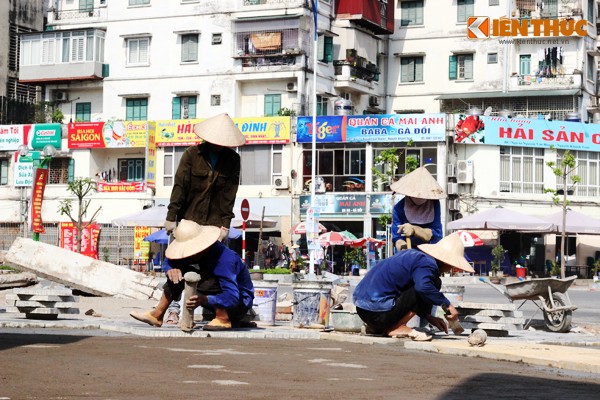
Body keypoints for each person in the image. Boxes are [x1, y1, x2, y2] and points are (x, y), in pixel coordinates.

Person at [161, 113, 246, 325]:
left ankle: (214, 309)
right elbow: (179, 187)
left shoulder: (233, 160)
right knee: (177, 266)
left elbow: (229, 195)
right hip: (188, 222)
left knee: (212, 271)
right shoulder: (192, 155)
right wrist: (172, 218)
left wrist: (224, 224)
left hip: (213, 224)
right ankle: (172, 310)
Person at [130, 221, 255, 331]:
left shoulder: (226, 259)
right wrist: (171, 270)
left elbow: (232, 297)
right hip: (214, 299)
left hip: (238, 304)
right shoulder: (194, 255)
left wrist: (204, 299)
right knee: (178, 273)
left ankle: (223, 318)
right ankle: (157, 314)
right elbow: (170, 260)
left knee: (208, 280)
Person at [352, 233, 474, 341]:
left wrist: (429, 317)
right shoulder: (427, 263)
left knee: (428, 284)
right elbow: (423, 288)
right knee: (432, 284)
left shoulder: (414, 256)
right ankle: (397, 327)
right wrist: (448, 305)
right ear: (447, 262)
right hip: (378, 313)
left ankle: (377, 327)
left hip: (364, 311)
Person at [390, 166, 445, 252]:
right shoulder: (399, 208)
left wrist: (415, 230)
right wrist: (405, 250)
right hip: (408, 253)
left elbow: (436, 234)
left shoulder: (434, 204)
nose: (419, 197)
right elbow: (397, 238)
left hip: (430, 251)